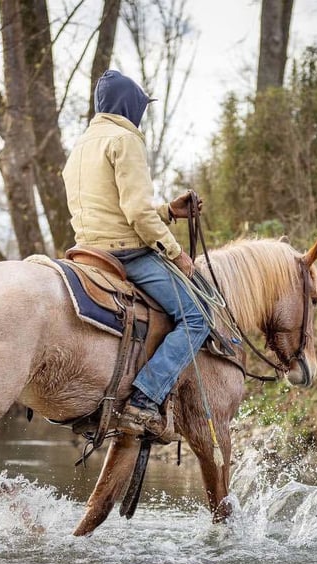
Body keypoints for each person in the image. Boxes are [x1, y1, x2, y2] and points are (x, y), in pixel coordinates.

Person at [62, 69, 209, 437]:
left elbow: (116, 208)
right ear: (131, 106)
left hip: (85, 251)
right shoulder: (125, 139)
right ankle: (145, 400)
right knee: (197, 317)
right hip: (126, 254)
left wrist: (169, 212)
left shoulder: (81, 146)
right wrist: (176, 254)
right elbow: (137, 215)